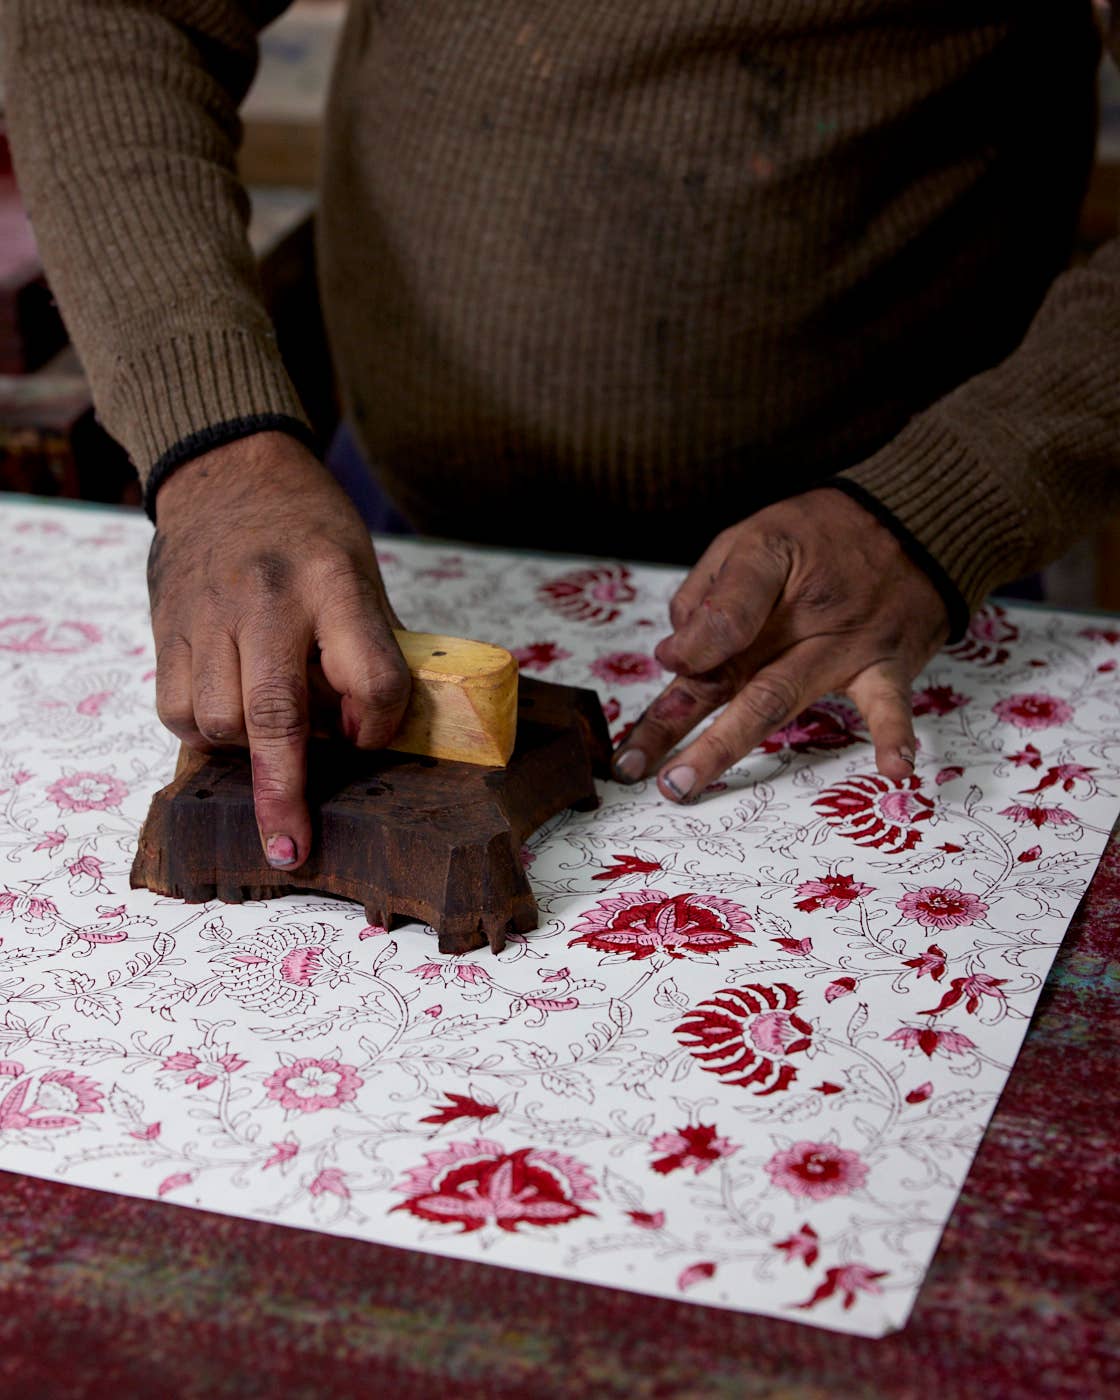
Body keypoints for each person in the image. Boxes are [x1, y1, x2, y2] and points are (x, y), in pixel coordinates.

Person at [4, 1, 1119, 875]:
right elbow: (109, 12)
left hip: (889, 579)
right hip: (387, 509)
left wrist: (957, 495)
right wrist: (212, 446)